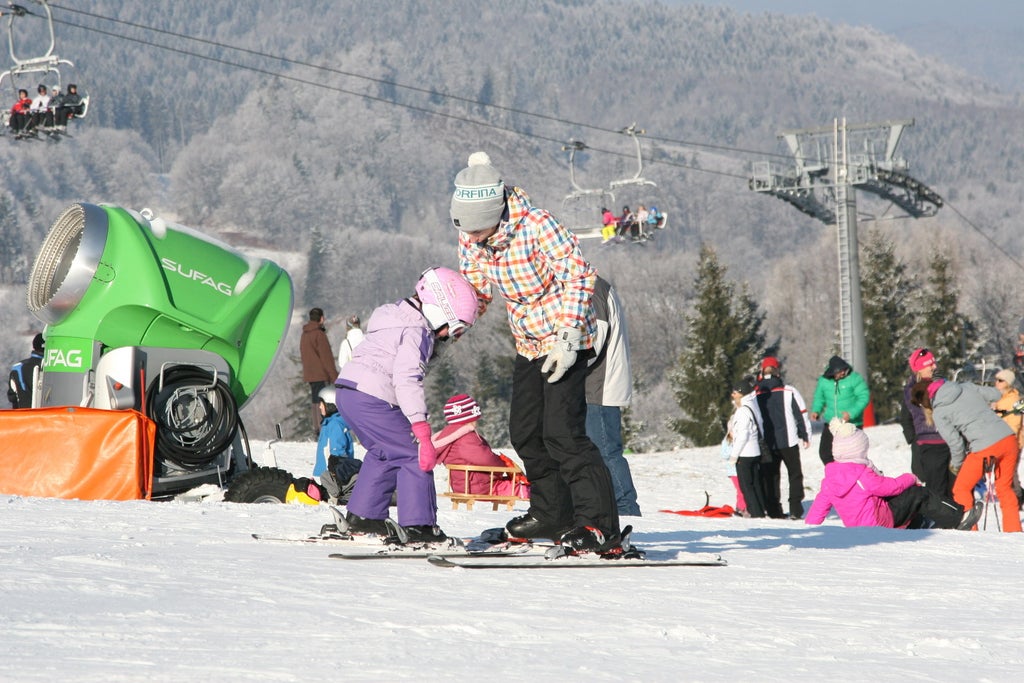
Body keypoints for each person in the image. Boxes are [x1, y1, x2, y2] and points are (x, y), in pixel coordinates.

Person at [452, 151, 621, 553]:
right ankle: (552, 514)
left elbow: (580, 276)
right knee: (526, 433)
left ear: (496, 215)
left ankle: (598, 526)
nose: (472, 239)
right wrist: (450, 326)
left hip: (568, 337)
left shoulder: (538, 225)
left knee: (564, 434)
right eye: (467, 232)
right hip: (527, 342)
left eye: (477, 231)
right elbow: (476, 289)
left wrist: (566, 337)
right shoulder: (472, 235)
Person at [334, 266, 479, 542]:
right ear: (440, 311)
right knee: (415, 455)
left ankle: (365, 517)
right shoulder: (417, 331)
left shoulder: (397, 317)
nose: (450, 335)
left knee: (384, 453)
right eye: (455, 327)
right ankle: (419, 526)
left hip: (349, 392)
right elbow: (407, 379)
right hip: (373, 397)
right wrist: (421, 429)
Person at [806, 419, 981, 530]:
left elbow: (817, 510)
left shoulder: (829, 480)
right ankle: (959, 518)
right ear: (858, 450)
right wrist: (910, 478)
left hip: (857, 530)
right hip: (878, 523)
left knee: (905, 499)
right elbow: (890, 488)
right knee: (918, 493)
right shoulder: (861, 474)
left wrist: (809, 534)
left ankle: (919, 524)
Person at [911, 378, 1022, 532]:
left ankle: (971, 531)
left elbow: (956, 444)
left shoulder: (940, 412)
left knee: (961, 489)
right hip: (1008, 439)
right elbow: (996, 394)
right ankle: (1014, 531)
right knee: (1004, 487)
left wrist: (957, 465)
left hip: (985, 447)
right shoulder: (965, 386)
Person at [585, 276, 641, 516]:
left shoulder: (592, 289)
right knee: (601, 452)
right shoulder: (594, 287)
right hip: (598, 387)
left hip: (599, 388)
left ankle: (626, 507)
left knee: (606, 451)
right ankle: (609, 506)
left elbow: (594, 340)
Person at [432, 393, 529, 499]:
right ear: (467, 418)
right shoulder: (466, 438)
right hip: (480, 486)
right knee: (520, 488)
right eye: (474, 418)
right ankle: (535, 496)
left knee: (507, 482)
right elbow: (485, 458)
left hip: (465, 484)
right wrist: (503, 464)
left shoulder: (451, 436)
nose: (476, 421)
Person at [755, 356, 811, 519]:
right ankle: (795, 509)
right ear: (778, 371)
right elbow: (801, 414)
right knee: (794, 474)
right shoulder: (788, 391)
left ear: (762, 371)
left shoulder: (756, 393)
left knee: (771, 476)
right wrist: (805, 435)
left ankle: (773, 511)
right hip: (789, 441)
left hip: (766, 443)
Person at [899, 348, 953, 499]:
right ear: (919, 369)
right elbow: (905, 417)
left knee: (951, 486)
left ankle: (954, 519)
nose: (934, 367)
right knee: (936, 488)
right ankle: (939, 520)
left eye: (934, 363)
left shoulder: (942, 384)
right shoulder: (911, 390)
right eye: (930, 365)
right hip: (928, 444)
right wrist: (913, 440)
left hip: (949, 441)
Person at [810, 355, 870, 464]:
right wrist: (816, 410)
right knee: (825, 453)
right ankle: (835, 473)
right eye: (839, 372)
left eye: (844, 370)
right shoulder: (824, 381)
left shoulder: (854, 378)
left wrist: (851, 413)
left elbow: (864, 397)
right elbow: (819, 397)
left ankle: (853, 476)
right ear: (832, 372)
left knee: (852, 454)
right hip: (832, 423)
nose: (843, 373)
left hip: (852, 423)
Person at [727, 375, 767, 518]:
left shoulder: (743, 410)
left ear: (742, 393)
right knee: (755, 483)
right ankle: (760, 510)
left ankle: (756, 514)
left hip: (745, 453)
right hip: (754, 451)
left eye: (735, 392)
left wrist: (734, 455)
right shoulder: (751, 405)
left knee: (746, 486)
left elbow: (743, 435)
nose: (732, 395)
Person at [312, 386, 359, 503]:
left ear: (330, 405)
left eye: (322, 404)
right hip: (326, 475)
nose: (319, 407)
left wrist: (334, 476)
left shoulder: (335, 425)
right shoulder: (330, 423)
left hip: (332, 478)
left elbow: (337, 453)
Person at [299, 307, 338, 439]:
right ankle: (323, 428)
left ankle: (317, 428)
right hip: (321, 373)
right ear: (321, 318)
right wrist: (334, 377)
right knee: (323, 401)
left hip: (310, 374)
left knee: (315, 400)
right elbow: (326, 358)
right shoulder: (319, 335)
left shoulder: (305, 334)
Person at [990, 368, 1024, 505]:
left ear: (1008, 383)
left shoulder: (1016, 400)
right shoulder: (999, 398)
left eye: (1000, 380)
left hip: (1012, 441)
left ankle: (1017, 497)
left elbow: (1015, 423)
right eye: (996, 380)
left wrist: (1011, 441)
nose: (996, 383)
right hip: (999, 439)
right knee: (1003, 470)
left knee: (1010, 471)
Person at [8, 333, 44, 409]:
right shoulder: (52, 367)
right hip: (49, 417)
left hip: (23, 417)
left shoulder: (18, 368)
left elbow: (12, 397)